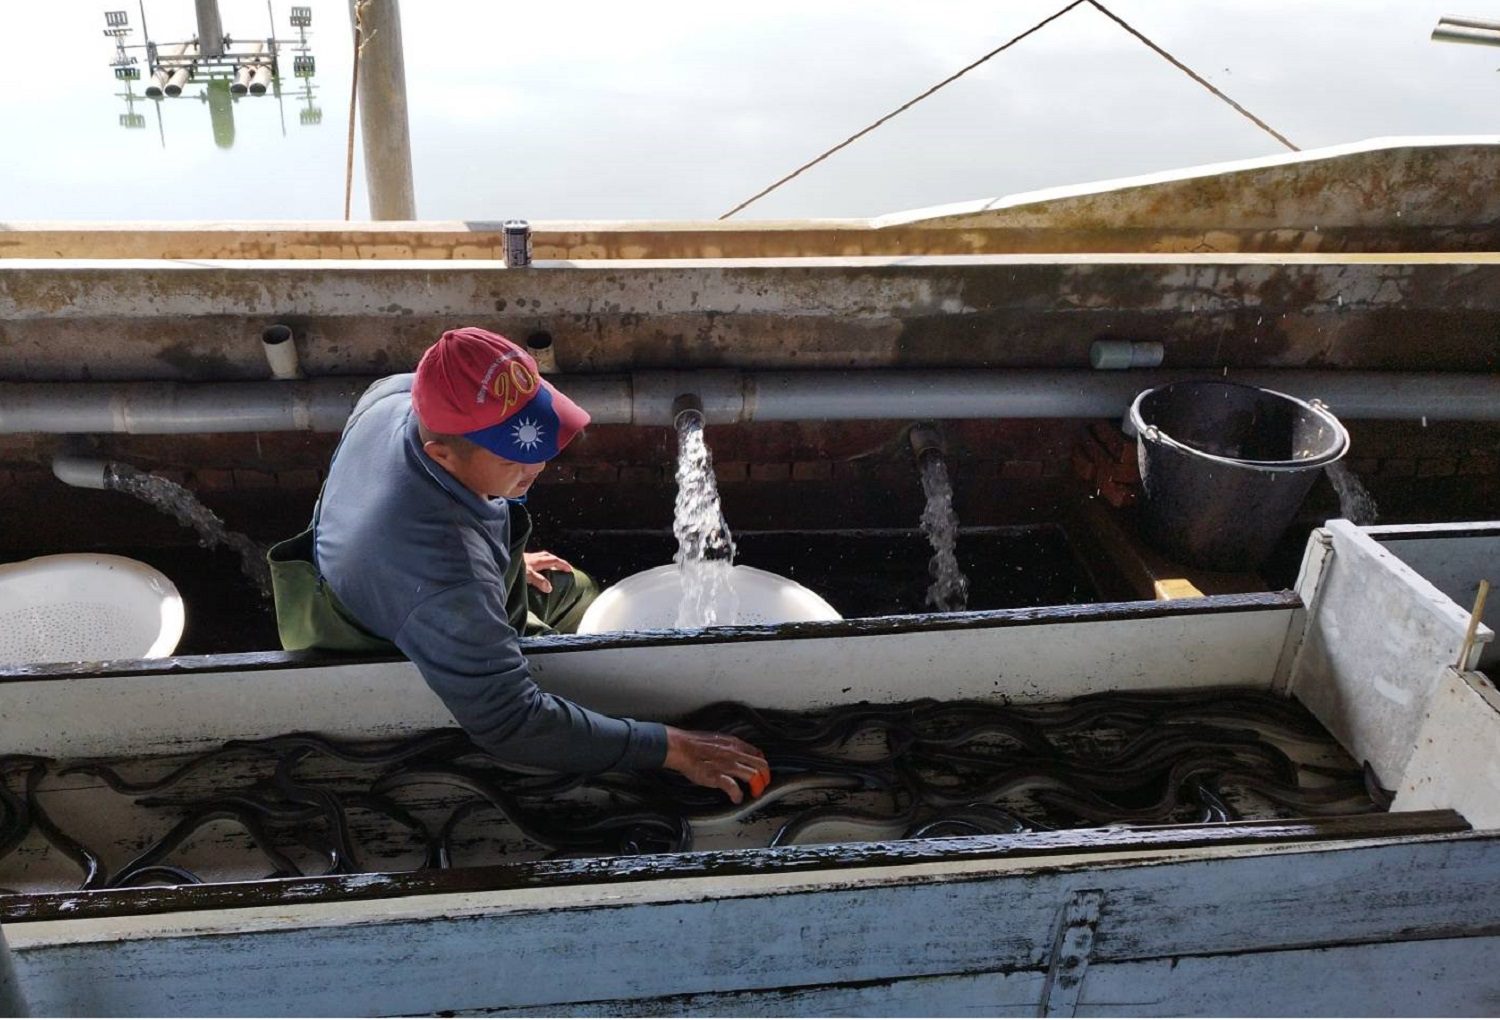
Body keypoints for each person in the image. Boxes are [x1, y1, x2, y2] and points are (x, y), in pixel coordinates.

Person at [268, 326, 767, 802]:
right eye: (512, 459)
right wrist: (670, 748)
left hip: (400, 582)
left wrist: (499, 557)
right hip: (375, 643)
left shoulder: (395, 394)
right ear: (442, 456)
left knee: (570, 587)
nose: (539, 467)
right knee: (559, 694)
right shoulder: (446, 579)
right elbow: (510, 723)